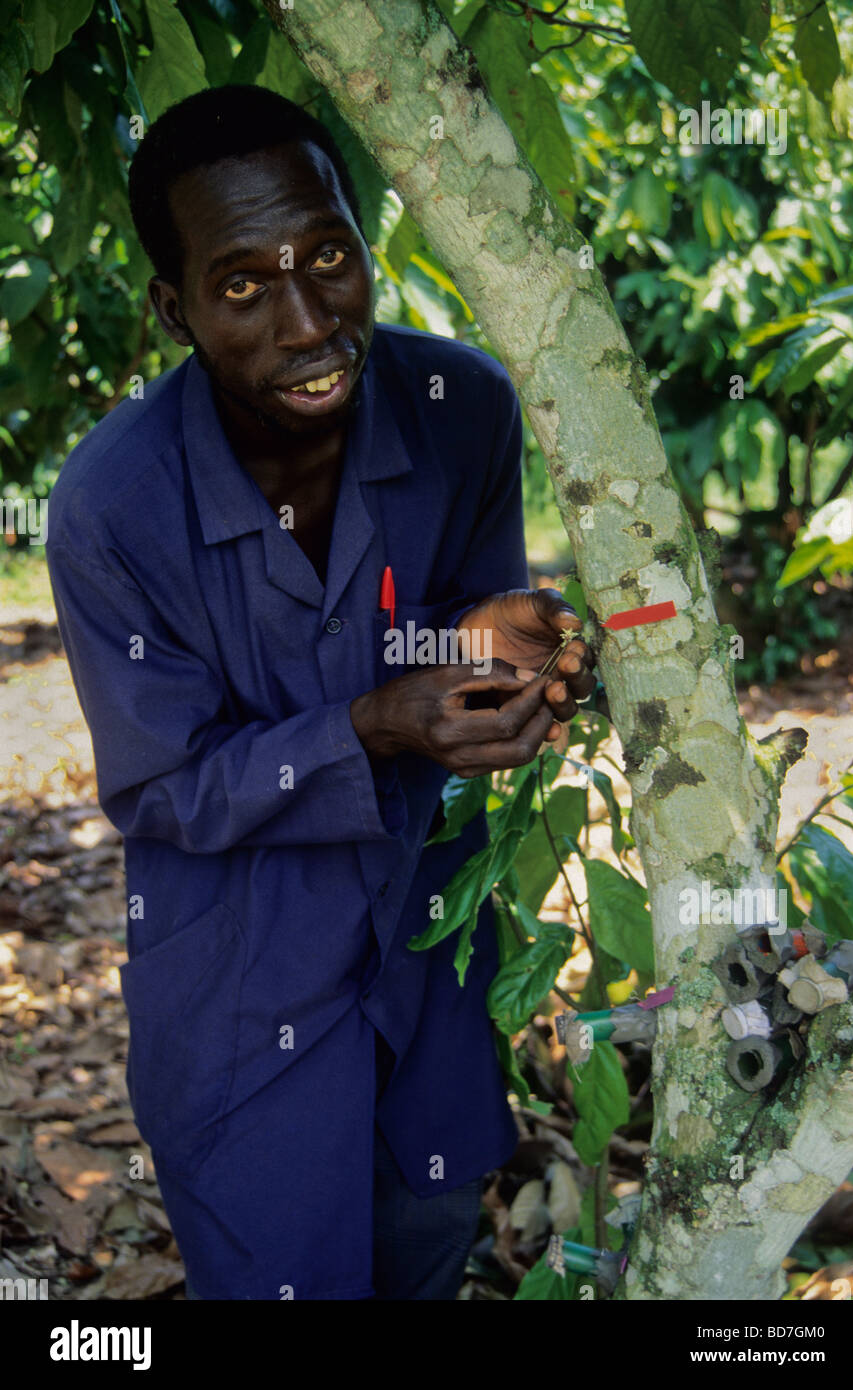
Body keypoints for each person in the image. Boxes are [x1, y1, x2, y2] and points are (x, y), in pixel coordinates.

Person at [46, 84, 595, 1300]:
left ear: (364, 234)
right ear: (173, 307)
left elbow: (454, 624)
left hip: (430, 951)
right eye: (241, 284)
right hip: (245, 986)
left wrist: (492, 649)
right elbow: (165, 787)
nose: (307, 321)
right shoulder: (113, 507)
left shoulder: (461, 411)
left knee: (425, 1239)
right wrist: (368, 726)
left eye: (329, 256)